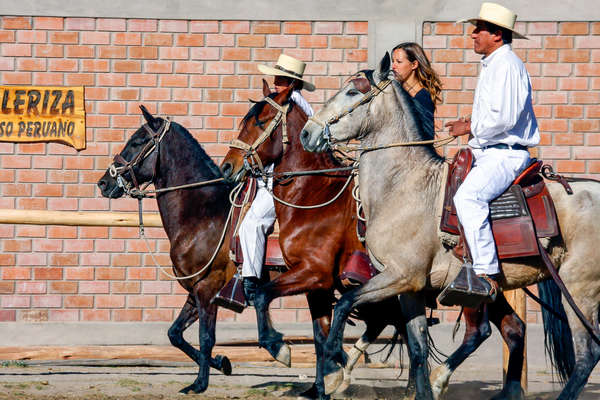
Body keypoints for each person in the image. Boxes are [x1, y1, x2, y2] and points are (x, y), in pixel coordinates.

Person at [445, 2, 540, 304]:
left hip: (505, 155)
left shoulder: (507, 65)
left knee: (468, 198)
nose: (473, 34)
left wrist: (470, 128)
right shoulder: (493, 64)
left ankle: (485, 274)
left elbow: (505, 118)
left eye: (479, 29)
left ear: (497, 34)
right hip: (490, 151)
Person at [240, 54, 315, 305]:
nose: (275, 84)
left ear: (292, 84)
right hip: (275, 178)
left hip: (287, 183)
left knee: (252, 223)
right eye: (276, 78)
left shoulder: (294, 105)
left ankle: (251, 281)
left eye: (281, 80)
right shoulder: (286, 103)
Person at [391, 42, 442, 138]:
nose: (393, 66)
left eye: (399, 62)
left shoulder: (422, 97)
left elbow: (426, 137)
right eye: (393, 61)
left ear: (414, 64)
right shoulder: (395, 91)